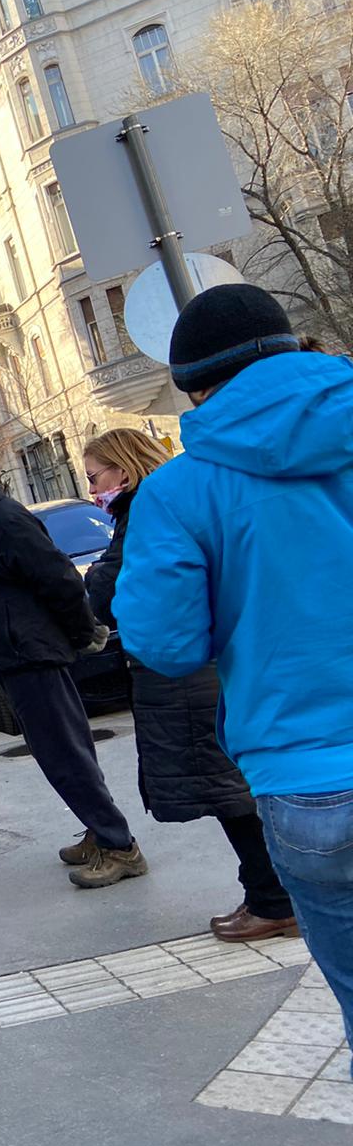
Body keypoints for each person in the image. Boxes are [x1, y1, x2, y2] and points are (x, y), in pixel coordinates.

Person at [115, 282, 353, 1060]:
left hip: (310, 777)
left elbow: (167, 644)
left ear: (197, 387)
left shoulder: (179, 491)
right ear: (294, 348)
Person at [83, 429, 295, 941]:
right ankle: (269, 893)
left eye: (95, 478)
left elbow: (113, 593)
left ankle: (273, 900)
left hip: (183, 675)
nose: (93, 491)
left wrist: (97, 585)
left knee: (228, 792)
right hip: (202, 668)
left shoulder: (145, 517)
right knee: (232, 788)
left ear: (124, 470)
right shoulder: (173, 504)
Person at [0, 451, 149, 888]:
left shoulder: (5, 522)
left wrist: (84, 631)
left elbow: (58, 578)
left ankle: (119, 846)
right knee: (63, 754)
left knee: (65, 756)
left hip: (33, 659)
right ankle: (99, 830)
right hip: (20, 659)